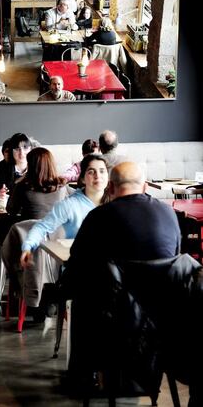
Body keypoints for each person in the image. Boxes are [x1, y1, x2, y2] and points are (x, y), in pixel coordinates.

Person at [58, 162, 182, 396]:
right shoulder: (168, 213)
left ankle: (83, 378)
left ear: (111, 188)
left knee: (81, 299)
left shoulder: (98, 217)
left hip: (113, 320)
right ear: (145, 186)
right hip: (160, 318)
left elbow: (76, 266)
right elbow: (174, 259)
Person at [21, 154, 109, 269]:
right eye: (91, 172)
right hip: (81, 267)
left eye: (102, 171)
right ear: (82, 178)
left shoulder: (117, 202)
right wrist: (27, 247)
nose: (98, 176)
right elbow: (41, 227)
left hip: (111, 267)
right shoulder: (69, 205)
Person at [7, 147, 69, 220]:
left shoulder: (22, 187)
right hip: (58, 230)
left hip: (30, 230)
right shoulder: (62, 187)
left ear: (31, 166)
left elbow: (11, 210)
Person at [0, 133, 32, 202]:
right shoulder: (1, 173)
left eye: (25, 147)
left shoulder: (37, 170)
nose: (21, 152)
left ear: (30, 149)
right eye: (17, 148)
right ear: (11, 151)